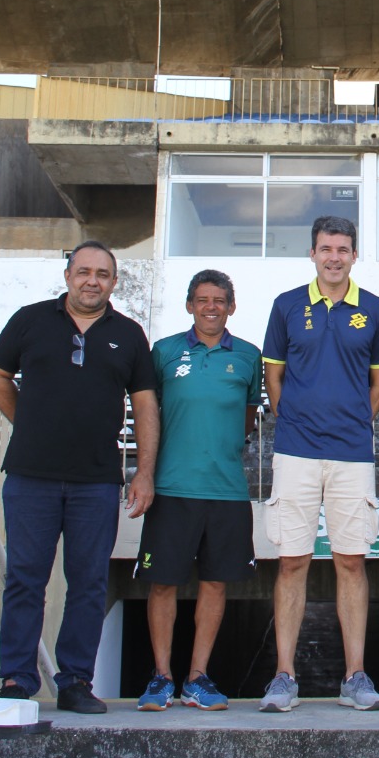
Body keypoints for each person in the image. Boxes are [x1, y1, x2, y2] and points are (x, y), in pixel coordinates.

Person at [0, 241, 159, 714]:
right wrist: (28, 423)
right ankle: (16, 680)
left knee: (88, 583)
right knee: (25, 579)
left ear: (114, 282)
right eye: (84, 272)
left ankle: (76, 681)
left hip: (96, 480)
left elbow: (145, 405)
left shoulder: (129, 334)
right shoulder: (30, 320)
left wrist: (144, 472)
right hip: (31, 476)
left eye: (102, 274)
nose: (92, 281)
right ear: (68, 276)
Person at [258, 215, 379, 712]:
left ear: (354, 255)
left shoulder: (376, 309)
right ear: (312, 253)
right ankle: (284, 677)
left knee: (351, 561)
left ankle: (355, 676)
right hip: (295, 450)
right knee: (292, 561)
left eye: (342, 249)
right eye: (325, 248)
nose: (333, 257)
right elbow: (274, 376)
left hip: (351, 453)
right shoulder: (287, 305)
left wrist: (353, 422)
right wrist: (295, 421)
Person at [134, 270, 262, 712]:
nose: (211, 307)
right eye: (203, 300)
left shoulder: (249, 356)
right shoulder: (165, 351)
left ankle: (197, 678)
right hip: (172, 487)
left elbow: (248, 416)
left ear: (232, 306)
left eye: (219, 300)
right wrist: (146, 473)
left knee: (215, 583)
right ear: (189, 305)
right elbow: (148, 412)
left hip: (227, 491)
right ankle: (161, 677)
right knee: (162, 584)